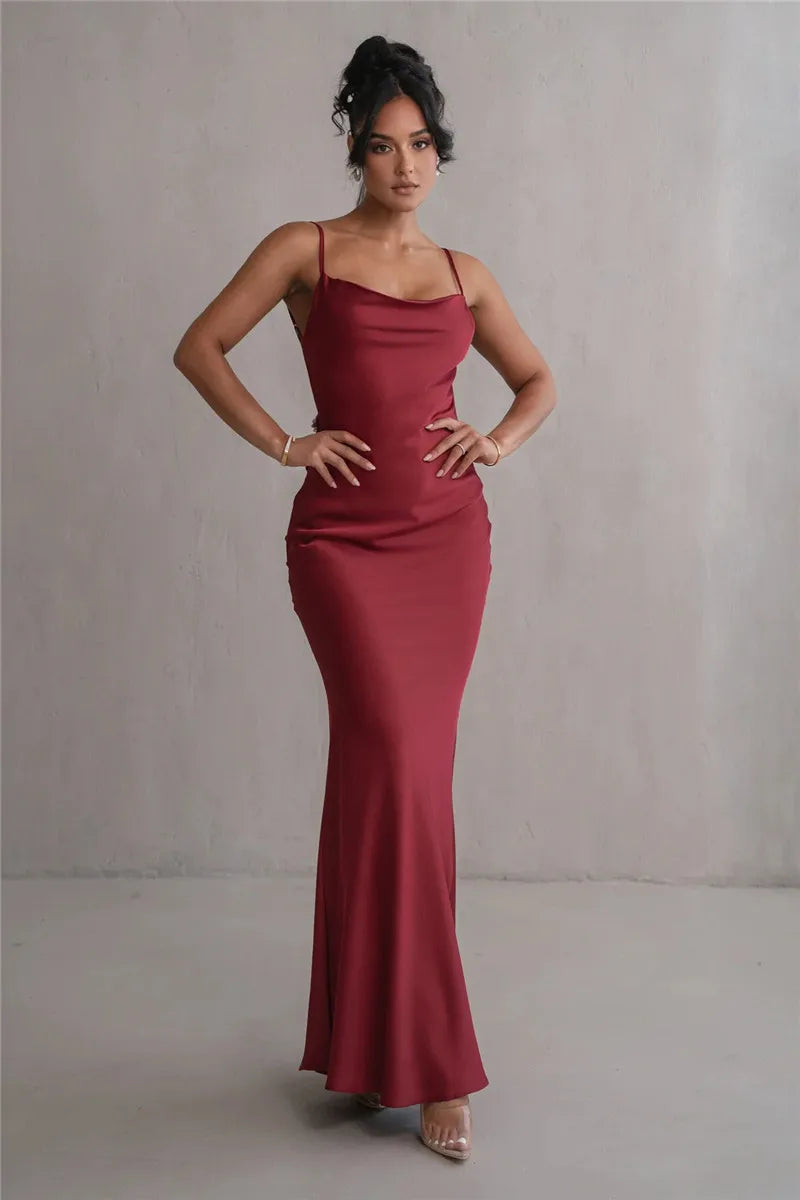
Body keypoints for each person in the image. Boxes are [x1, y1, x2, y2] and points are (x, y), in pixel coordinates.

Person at [173, 34, 556, 1162]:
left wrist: (495, 441)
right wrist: (285, 442)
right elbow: (200, 347)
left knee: (395, 778)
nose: (405, 165)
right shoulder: (306, 250)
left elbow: (537, 380)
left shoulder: (463, 274)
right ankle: (427, 1060)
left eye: (422, 145)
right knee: (392, 762)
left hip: (447, 546)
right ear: (355, 150)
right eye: (384, 146)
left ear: (440, 152)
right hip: (341, 546)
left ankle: (372, 1041)